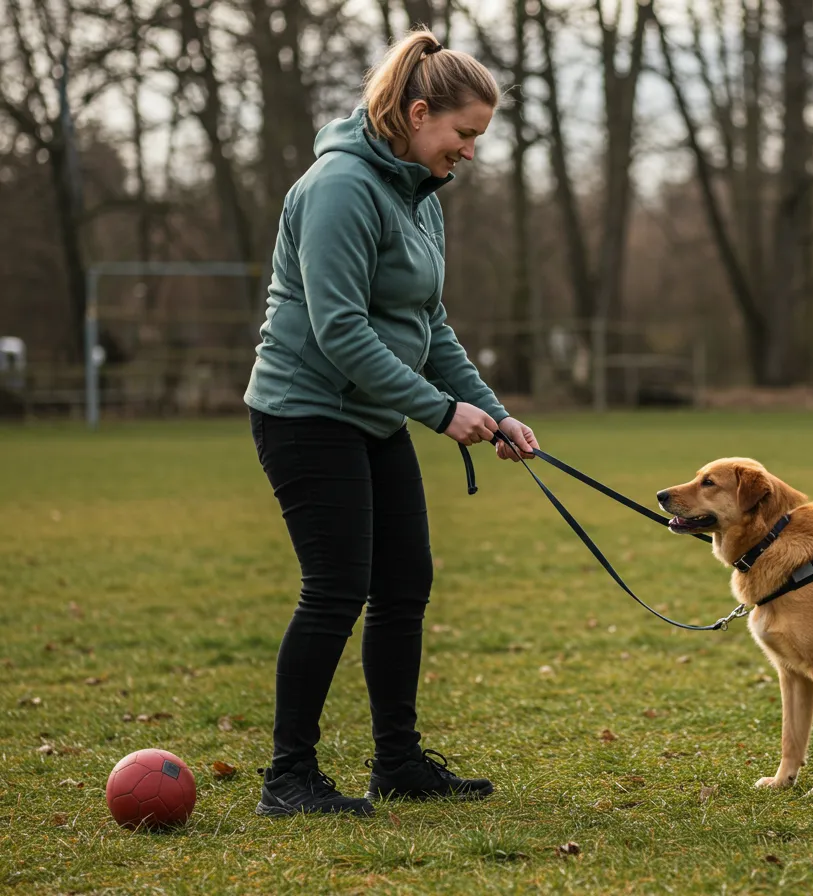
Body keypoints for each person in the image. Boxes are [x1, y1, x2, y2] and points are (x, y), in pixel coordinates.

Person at [243, 27, 537, 817]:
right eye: (463, 134)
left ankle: (398, 763)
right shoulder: (340, 186)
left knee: (405, 584)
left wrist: (497, 412)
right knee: (337, 588)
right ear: (415, 113)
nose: (470, 152)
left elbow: (429, 325)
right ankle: (288, 778)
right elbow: (339, 331)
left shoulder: (416, 193)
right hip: (307, 412)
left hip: (373, 415)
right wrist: (442, 412)